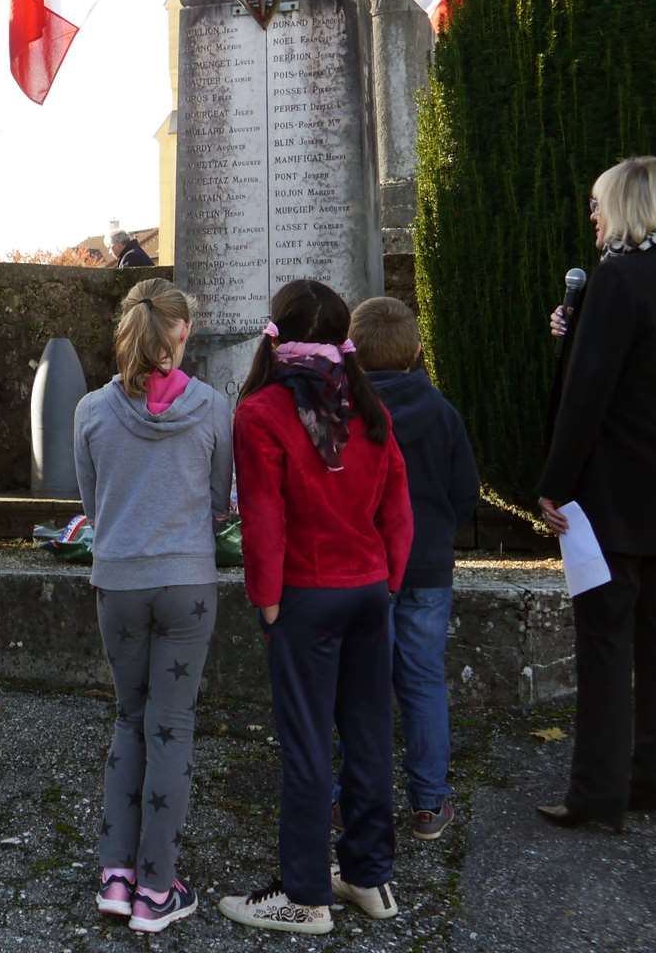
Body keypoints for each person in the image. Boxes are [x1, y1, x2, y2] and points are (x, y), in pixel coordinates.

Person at [217, 279, 412, 937]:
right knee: (367, 737)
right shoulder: (370, 407)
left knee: (305, 747)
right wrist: (386, 583)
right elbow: (397, 510)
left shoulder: (260, 412)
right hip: (366, 591)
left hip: (304, 593)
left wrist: (265, 600)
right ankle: (368, 875)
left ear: (275, 333)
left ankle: (303, 894)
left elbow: (263, 516)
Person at [536, 157, 656, 833]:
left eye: (597, 201)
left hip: (611, 497)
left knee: (605, 646)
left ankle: (595, 796)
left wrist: (554, 484)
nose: (591, 214)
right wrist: (576, 334)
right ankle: (651, 786)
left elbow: (589, 398)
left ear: (626, 205)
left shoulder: (615, 280)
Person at [72, 279, 231, 934]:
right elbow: (221, 501)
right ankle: (157, 886)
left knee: (128, 721)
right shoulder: (215, 408)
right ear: (183, 332)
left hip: (119, 582)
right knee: (172, 728)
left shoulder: (91, 411)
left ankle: (115, 873)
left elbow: (91, 499)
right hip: (186, 583)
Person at [332, 297, 478, 842]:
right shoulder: (442, 413)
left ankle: (353, 799)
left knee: (361, 685)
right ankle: (429, 803)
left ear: (354, 352)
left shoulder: (345, 413)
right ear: (418, 351)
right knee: (422, 683)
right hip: (428, 566)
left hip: (364, 566)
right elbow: (465, 493)